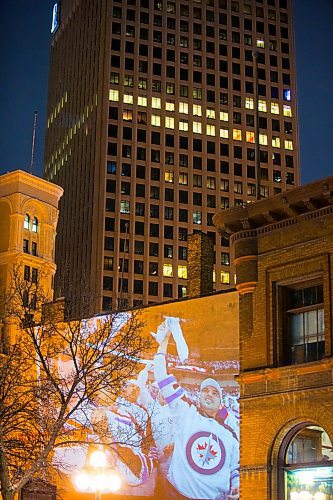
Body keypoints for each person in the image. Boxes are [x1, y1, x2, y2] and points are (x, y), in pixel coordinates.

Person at [153, 333, 239, 500]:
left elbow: (235, 468)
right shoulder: (186, 412)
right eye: (205, 390)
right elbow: (161, 376)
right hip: (176, 494)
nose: (209, 394)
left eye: (214, 393)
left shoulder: (230, 434)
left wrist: (237, 486)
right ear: (198, 397)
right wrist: (163, 342)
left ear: (220, 402)